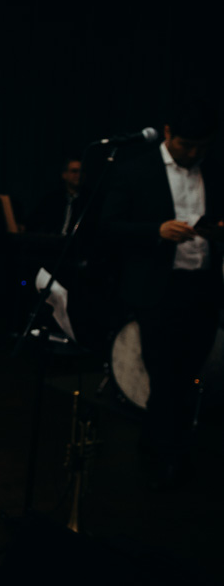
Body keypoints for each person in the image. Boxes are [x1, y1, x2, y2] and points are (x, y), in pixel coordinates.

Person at [101, 104, 222, 488]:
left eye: (201, 147)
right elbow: (108, 227)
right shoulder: (135, 168)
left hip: (203, 286)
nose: (193, 153)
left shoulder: (214, 169)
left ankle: (154, 444)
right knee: (164, 372)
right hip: (157, 287)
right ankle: (172, 456)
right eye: (186, 144)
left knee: (187, 373)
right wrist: (156, 230)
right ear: (168, 133)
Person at [27, 158, 83, 235]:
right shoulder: (53, 199)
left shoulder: (88, 200)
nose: (78, 175)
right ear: (64, 174)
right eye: (74, 171)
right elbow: (35, 220)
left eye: (81, 171)